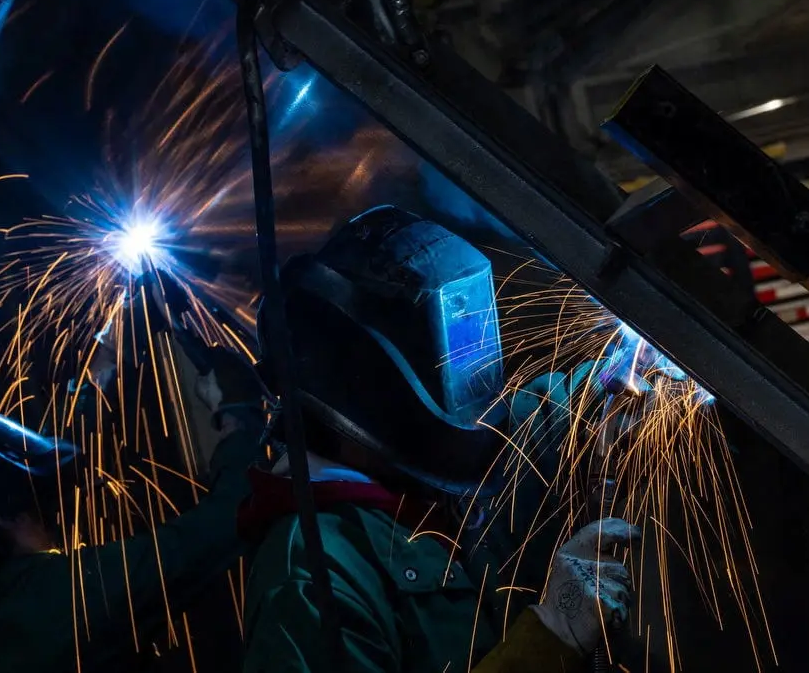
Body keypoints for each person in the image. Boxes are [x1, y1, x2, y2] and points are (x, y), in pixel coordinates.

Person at [238, 205, 641, 672]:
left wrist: (617, 378)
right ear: (375, 391)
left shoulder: (419, 478)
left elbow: (520, 432)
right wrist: (548, 638)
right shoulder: (312, 578)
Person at [0, 347, 268, 673]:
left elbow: (42, 461)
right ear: (5, 510)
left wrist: (94, 381)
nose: (50, 508)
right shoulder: (64, 603)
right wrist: (237, 417)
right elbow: (218, 525)